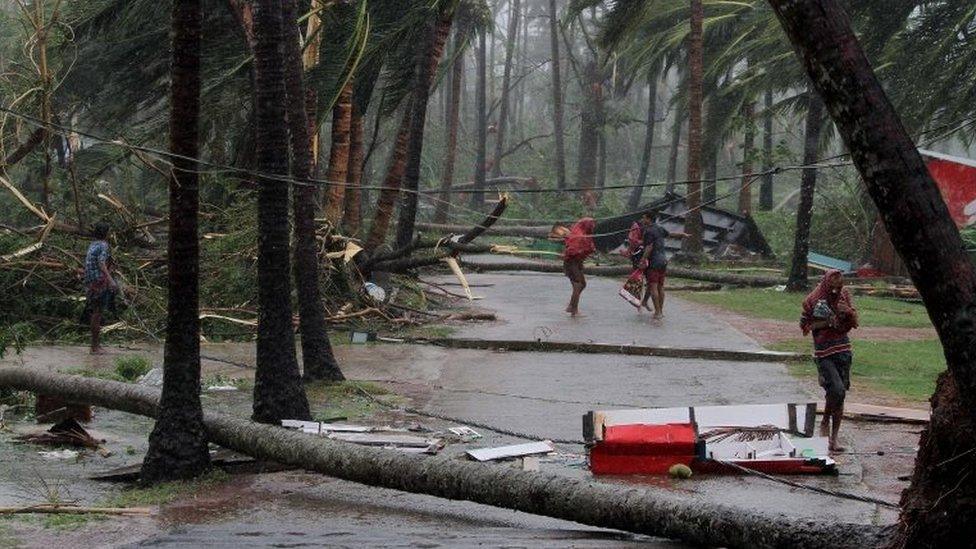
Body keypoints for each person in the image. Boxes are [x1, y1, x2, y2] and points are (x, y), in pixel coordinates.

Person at [800, 269, 859, 452]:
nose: (836, 291)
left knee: (837, 394)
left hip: (843, 350)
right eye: (833, 288)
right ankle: (825, 421)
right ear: (826, 284)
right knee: (837, 390)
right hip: (824, 352)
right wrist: (826, 323)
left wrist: (848, 312)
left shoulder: (844, 296)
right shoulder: (813, 299)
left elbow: (855, 322)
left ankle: (834, 437)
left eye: (839, 287)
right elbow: (805, 325)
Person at [632, 212, 688, 318]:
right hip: (663, 261)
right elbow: (670, 234)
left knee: (653, 287)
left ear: (649, 219)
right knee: (660, 287)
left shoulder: (648, 231)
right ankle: (660, 311)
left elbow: (649, 247)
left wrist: (642, 260)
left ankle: (657, 312)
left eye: (644, 218)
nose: (642, 220)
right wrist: (682, 235)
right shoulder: (659, 228)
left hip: (653, 262)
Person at [82, 222, 117, 354]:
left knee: (96, 313)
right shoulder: (103, 245)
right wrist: (111, 280)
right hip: (99, 282)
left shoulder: (93, 244)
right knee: (97, 313)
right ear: (105, 233)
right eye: (109, 231)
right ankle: (94, 347)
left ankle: (95, 346)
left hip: (90, 282)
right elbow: (101, 263)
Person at [562, 217, 596, 316]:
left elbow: (589, 247)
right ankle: (574, 309)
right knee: (578, 284)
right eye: (591, 224)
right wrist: (581, 252)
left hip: (577, 262)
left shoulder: (585, 234)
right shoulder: (578, 235)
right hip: (571, 262)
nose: (593, 227)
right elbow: (572, 251)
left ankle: (571, 305)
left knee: (582, 284)